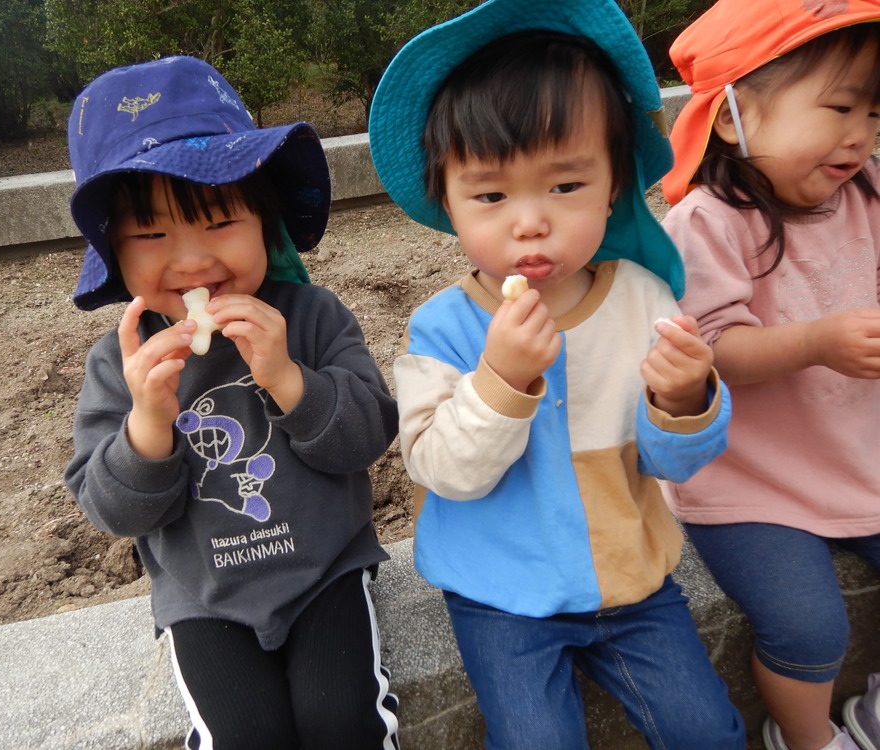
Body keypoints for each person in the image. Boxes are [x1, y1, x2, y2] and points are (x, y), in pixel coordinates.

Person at [368, 0, 745, 747]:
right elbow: (442, 469)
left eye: (565, 186)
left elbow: (676, 462)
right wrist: (499, 379)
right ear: (446, 199)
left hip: (632, 582)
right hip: (498, 594)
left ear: (615, 185)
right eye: (491, 195)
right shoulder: (444, 327)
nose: (529, 221)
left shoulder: (644, 299)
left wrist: (685, 397)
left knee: (709, 731)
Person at [62, 56, 400, 750]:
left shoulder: (309, 317)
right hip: (204, 596)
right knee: (243, 733)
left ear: (263, 218)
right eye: (152, 235)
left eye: (219, 221)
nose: (190, 261)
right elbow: (115, 511)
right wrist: (147, 426)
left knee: (344, 721)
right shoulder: (121, 364)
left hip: (323, 571)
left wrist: (288, 379)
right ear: (115, 254)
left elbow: (369, 435)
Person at [660, 1, 880, 749]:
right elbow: (712, 350)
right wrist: (816, 340)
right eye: (840, 107)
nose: (860, 134)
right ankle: (808, 737)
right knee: (808, 625)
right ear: (733, 118)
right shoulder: (710, 222)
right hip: (753, 479)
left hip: (857, 450)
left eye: (874, 112)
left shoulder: (869, 194)